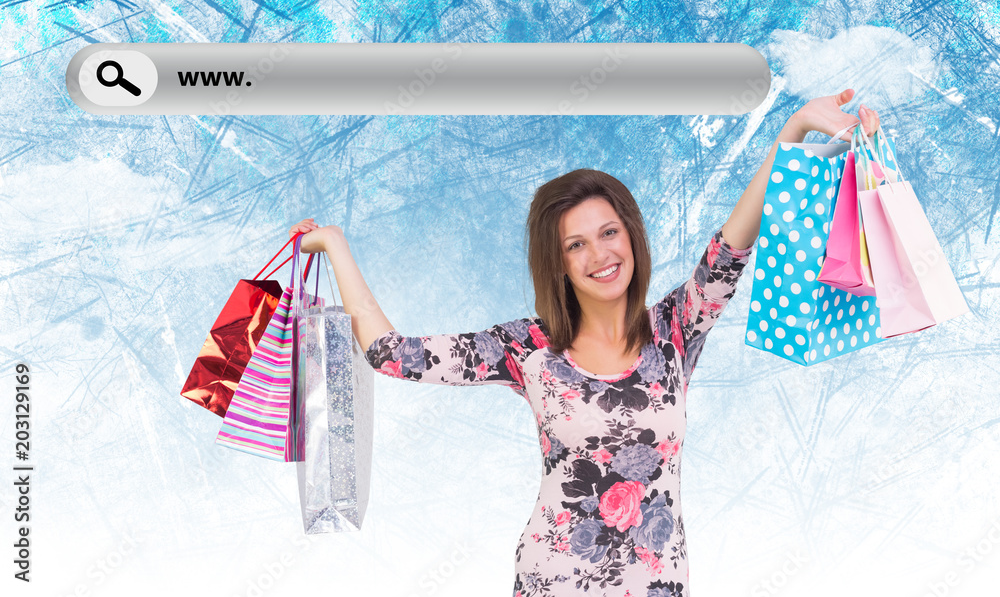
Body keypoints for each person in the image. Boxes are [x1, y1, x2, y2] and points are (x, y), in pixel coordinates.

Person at [291, 89, 880, 596]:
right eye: (577, 245)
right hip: (554, 579)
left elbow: (732, 247)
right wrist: (337, 247)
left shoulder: (675, 331)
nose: (600, 256)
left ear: (631, 236)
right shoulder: (529, 348)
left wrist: (795, 128)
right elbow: (392, 355)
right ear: (560, 264)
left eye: (609, 233)